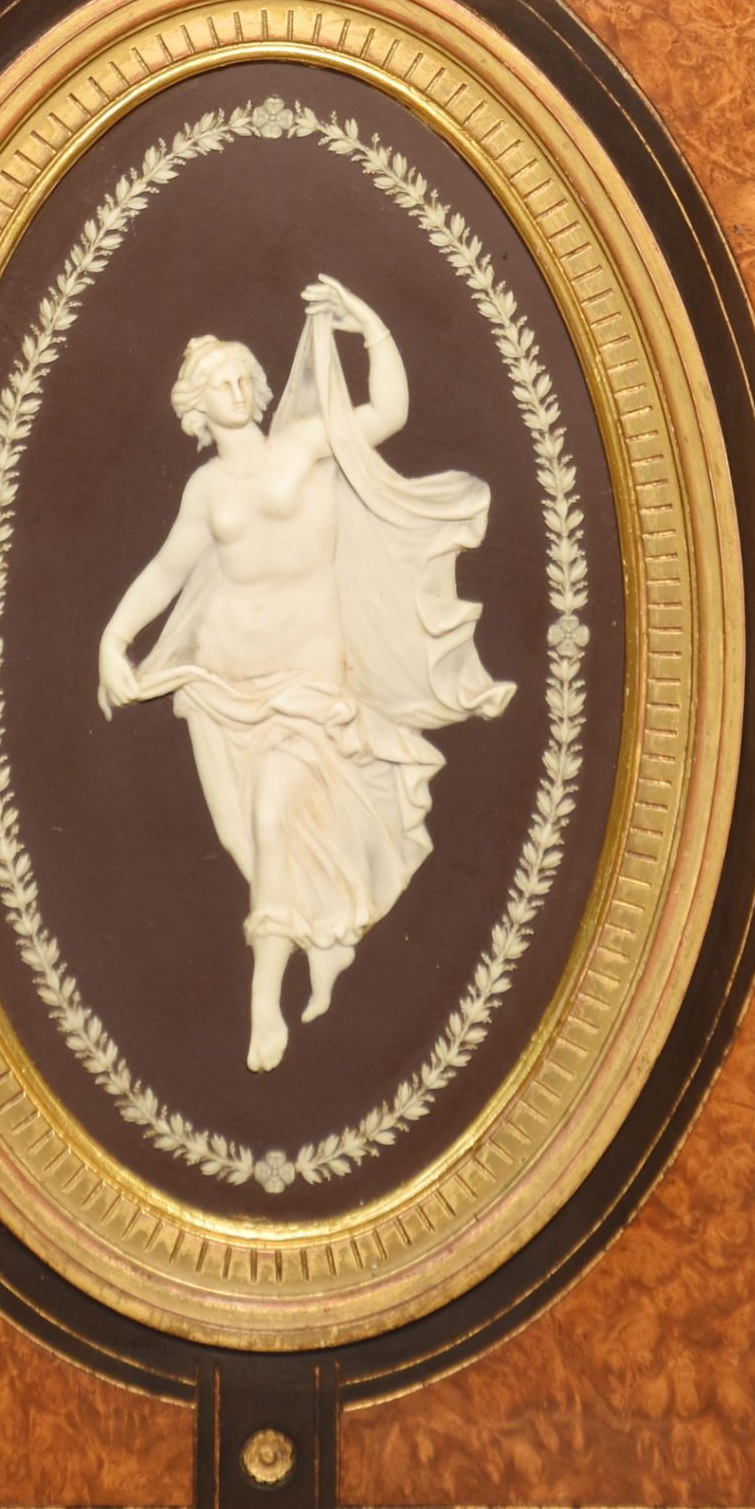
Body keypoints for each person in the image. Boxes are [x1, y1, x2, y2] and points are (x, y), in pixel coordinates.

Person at [97, 275, 515, 1073]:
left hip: (307, 674)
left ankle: (264, 1006)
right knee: (250, 839)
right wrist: (114, 639)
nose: (232, 389)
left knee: (268, 816)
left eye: (239, 376)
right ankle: (323, 939)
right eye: (215, 383)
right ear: (194, 407)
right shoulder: (205, 489)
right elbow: (166, 572)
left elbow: (386, 412)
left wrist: (370, 326)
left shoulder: (305, 443)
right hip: (222, 679)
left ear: (258, 388)